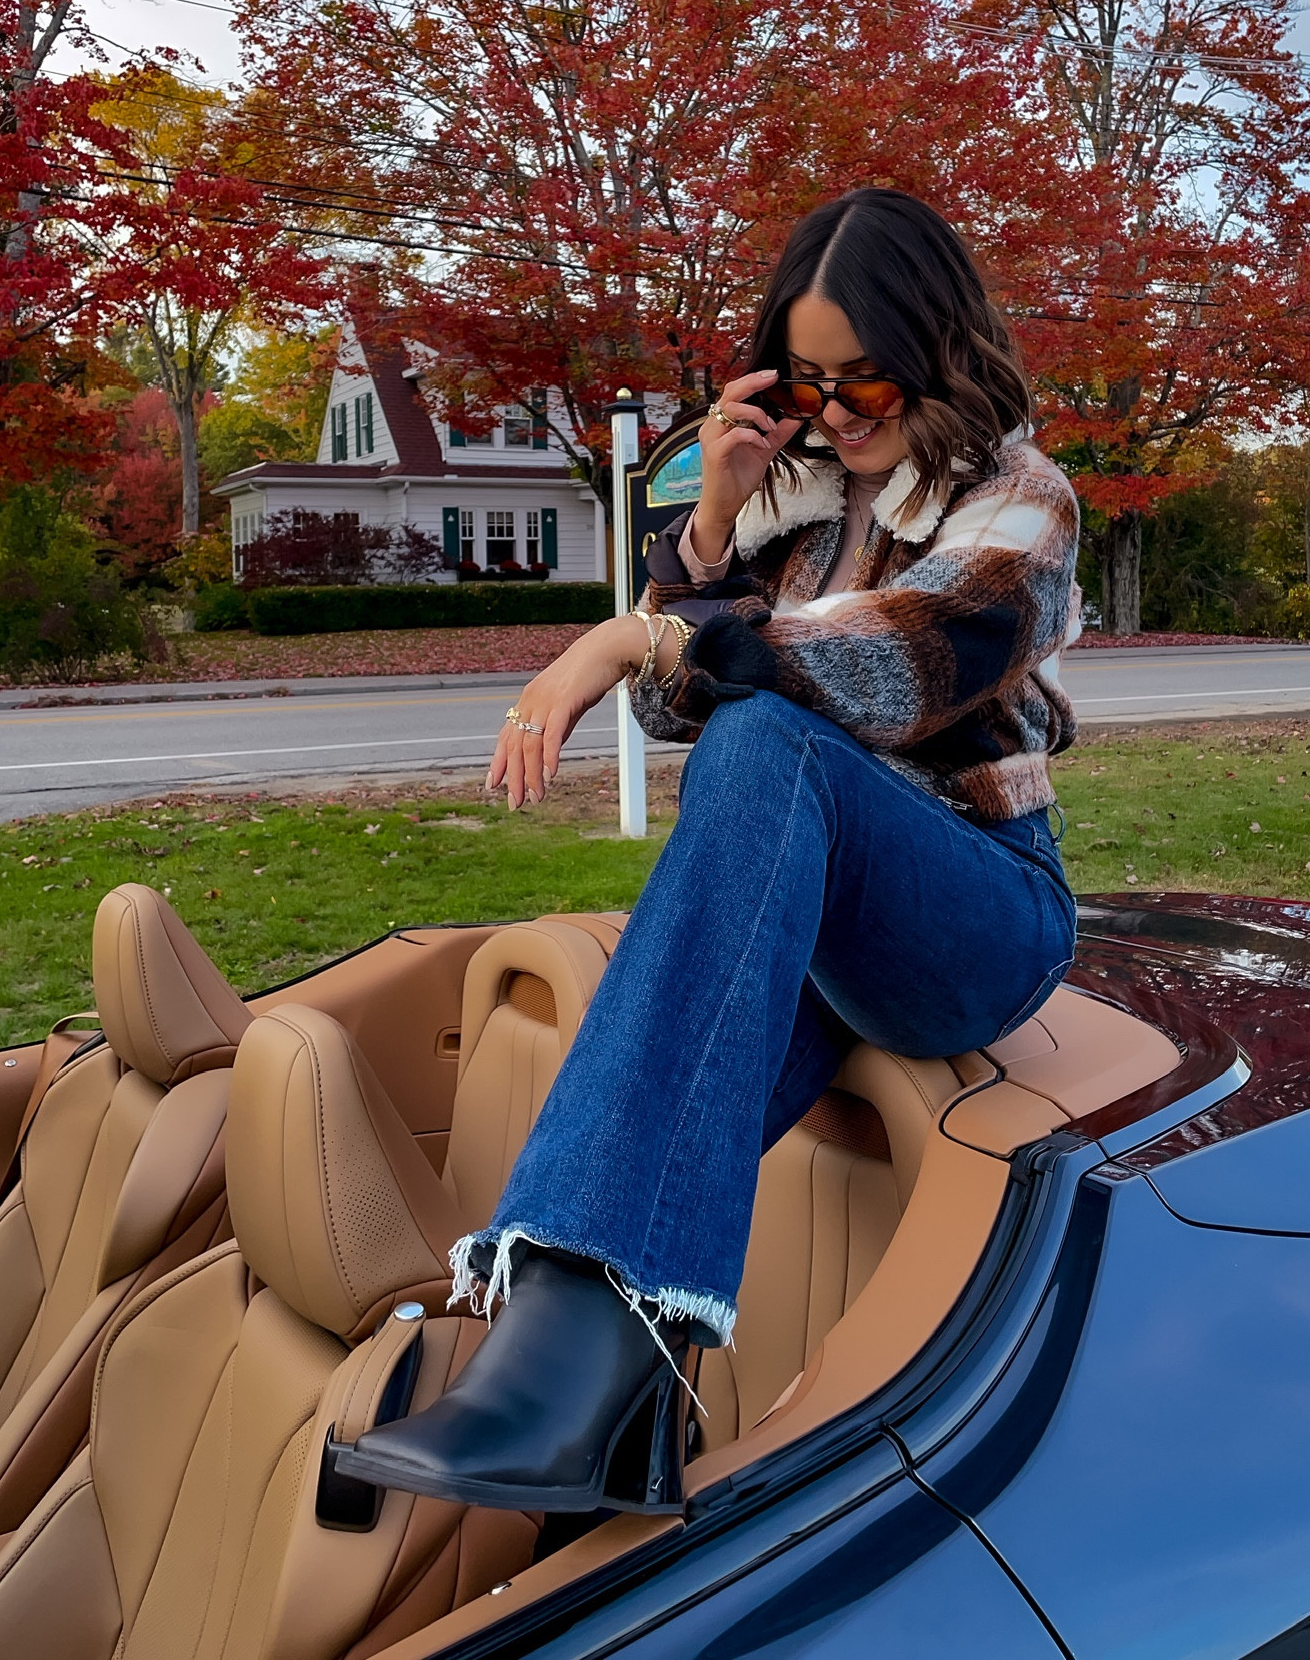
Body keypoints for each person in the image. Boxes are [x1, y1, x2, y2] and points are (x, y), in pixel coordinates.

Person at [338, 187, 1082, 1515]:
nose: (843, 415)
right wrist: (709, 526)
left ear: (942, 350)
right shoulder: (790, 503)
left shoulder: (1022, 503)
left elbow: (897, 666)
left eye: (870, 382)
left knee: (765, 744)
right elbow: (674, 706)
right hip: (831, 916)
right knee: (742, 772)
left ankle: (569, 1378)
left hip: (978, 916)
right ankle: (604, 1403)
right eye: (812, 384)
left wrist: (631, 630)